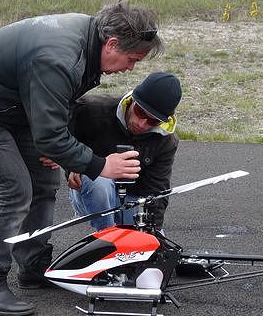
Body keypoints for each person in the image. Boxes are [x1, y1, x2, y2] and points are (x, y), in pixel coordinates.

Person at [0, 0, 164, 316]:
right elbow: (49, 136)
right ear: (112, 43)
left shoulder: (89, 38)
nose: (131, 68)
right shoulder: (59, 57)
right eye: (132, 59)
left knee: (43, 181)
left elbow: (60, 108)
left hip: (18, 110)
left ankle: (32, 266)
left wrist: (70, 157)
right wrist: (99, 165)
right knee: (14, 190)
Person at [67, 72, 181, 230]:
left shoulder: (166, 142)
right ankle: (108, 237)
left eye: (153, 120)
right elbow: (59, 139)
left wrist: (152, 230)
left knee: (153, 242)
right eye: (140, 113)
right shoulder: (91, 110)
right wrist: (73, 165)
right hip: (91, 195)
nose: (142, 124)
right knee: (99, 182)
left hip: (132, 202)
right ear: (132, 100)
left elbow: (157, 192)